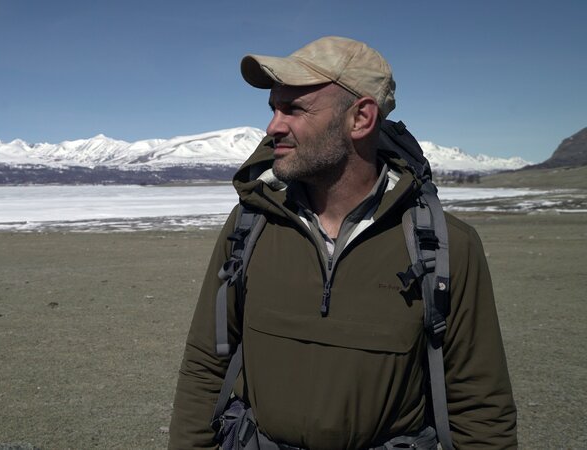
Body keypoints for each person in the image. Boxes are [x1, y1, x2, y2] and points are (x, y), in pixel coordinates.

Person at [168, 36, 517, 449]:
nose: (272, 126)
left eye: (294, 108)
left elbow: (479, 405)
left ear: (361, 118)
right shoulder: (251, 223)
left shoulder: (443, 244)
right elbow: (206, 366)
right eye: (273, 108)